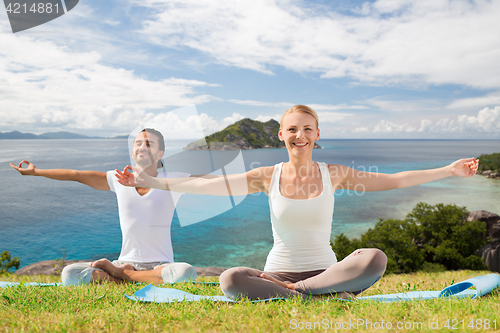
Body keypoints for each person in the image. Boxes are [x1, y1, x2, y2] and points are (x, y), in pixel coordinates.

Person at [112, 105, 479, 300]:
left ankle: (299, 294)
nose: (299, 135)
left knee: (374, 257)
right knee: (231, 279)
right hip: (277, 273)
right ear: (281, 134)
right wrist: (152, 181)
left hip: (327, 270)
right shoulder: (266, 175)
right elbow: (210, 184)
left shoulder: (333, 173)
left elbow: (396, 180)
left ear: (317, 135)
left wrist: (448, 170)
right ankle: (311, 294)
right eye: (292, 129)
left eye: (307, 129)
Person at [10, 129, 198, 285]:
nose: (141, 147)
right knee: (69, 273)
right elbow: (76, 174)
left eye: (149, 144)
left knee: (185, 272)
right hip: (125, 262)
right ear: (132, 151)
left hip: (161, 266)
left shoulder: (172, 181)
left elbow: (211, 183)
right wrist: (36, 172)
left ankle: (123, 276)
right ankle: (128, 276)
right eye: (138, 143)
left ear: (160, 154)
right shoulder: (118, 180)